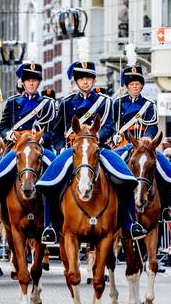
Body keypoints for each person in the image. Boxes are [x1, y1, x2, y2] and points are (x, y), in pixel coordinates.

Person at [38, 51, 147, 241]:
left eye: (88, 78)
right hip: (72, 149)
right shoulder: (65, 103)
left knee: (127, 178)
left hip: (98, 148)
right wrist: (59, 148)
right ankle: (49, 226)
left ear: (93, 80)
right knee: (48, 181)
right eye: (82, 79)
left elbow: (110, 126)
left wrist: (95, 139)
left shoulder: (105, 102)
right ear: (76, 81)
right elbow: (56, 132)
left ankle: (131, 222)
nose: (85, 82)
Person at [0, 59, 57, 237]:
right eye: (28, 80)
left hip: (39, 148)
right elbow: (2, 127)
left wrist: (40, 139)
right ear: (23, 83)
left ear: (39, 82)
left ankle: (54, 220)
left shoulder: (47, 103)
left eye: (34, 80)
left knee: (57, 173)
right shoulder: (12, 102)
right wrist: (8, 134)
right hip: (16, 147)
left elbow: (52, 131)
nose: (31, 83)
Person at [112, 63, 171, 223]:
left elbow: (152, 126)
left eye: (138, 84)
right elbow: (111, 123)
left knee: (163, 166)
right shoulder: (117, 103)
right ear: (127, 86)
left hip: (144, 145)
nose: (135, 87)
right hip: (124, 145)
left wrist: (146, 140)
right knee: (109, 166)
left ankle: (167, 207)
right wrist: (115, 134)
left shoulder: (149, 105)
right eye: (132, 84)